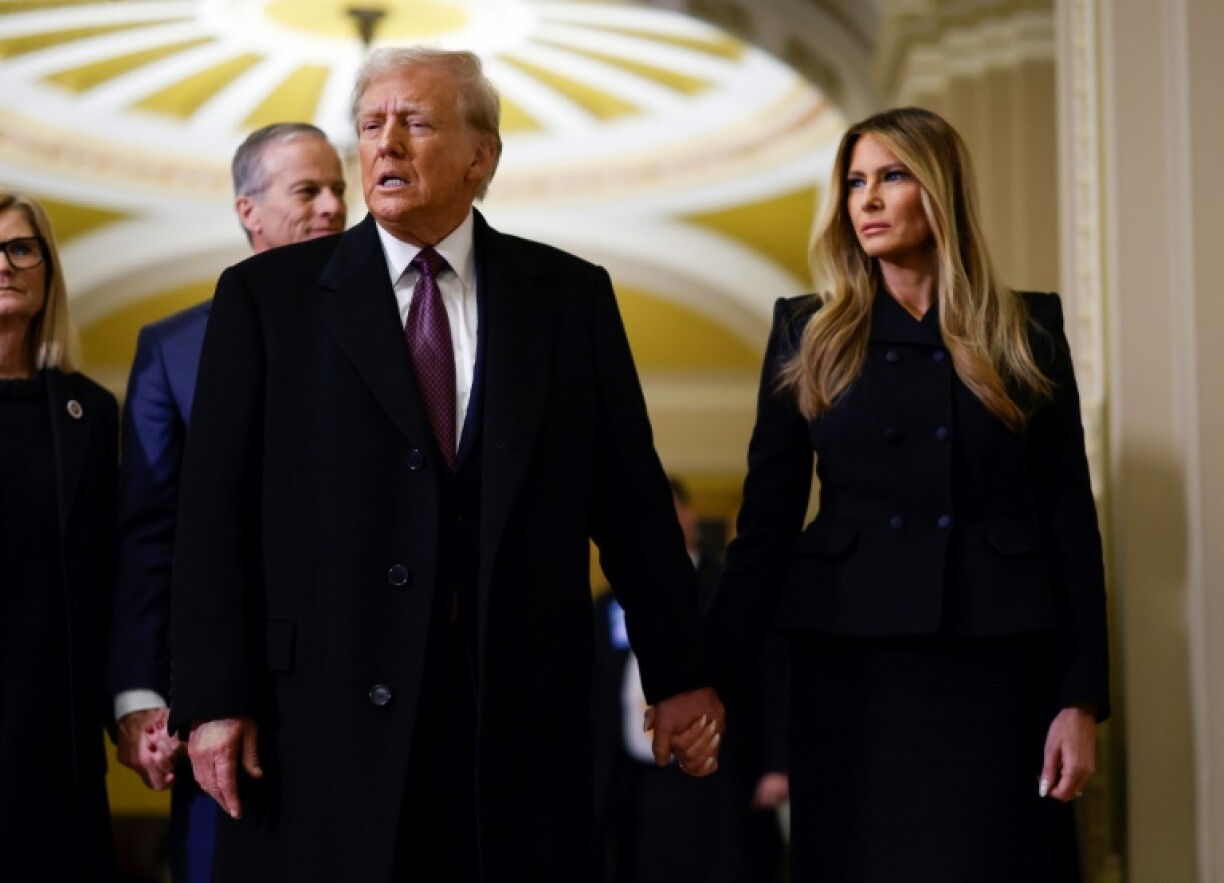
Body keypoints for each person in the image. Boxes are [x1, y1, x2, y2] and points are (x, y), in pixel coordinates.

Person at [168, 47, 724, 883]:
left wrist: (679, 675)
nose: (385, 143)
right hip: (319, 716)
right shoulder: (267, 299)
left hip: (513, 717)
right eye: (370, 124)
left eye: (416, 122)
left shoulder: (568, 297)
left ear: (481, 156)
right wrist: (213, 697)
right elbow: (214, 514)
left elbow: (632, 501)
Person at [716, 107, 1110, 882]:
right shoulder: (809, 332)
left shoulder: (1027, 330)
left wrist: (1081, 699)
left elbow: (1071, 525)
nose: (867, 199)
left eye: (891, 177)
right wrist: (704, 678)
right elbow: (764, 526)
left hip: (994, 668)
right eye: (855, 181)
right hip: (851, 671)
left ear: (939, 191)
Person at [107, 122, 346, 882]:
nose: (334, 207)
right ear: (249, 210)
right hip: (224, 692)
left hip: (363, 686)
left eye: (340, 188)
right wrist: (144, 693)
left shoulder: (409, 327)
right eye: (309, 190)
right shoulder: (173, 350)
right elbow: (152, 534)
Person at [0, 192, 118, 881]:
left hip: (57, 735)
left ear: (46, 270)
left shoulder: (90, 413)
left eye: (21, 247)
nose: (7, 265)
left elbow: (113, 565)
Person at [593, 478, 788, 883]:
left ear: (689, 516)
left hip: (719, 773)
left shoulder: (733, 592)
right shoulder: (610, 604)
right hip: (636, 778)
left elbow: (771, 678)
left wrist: (777, 765)